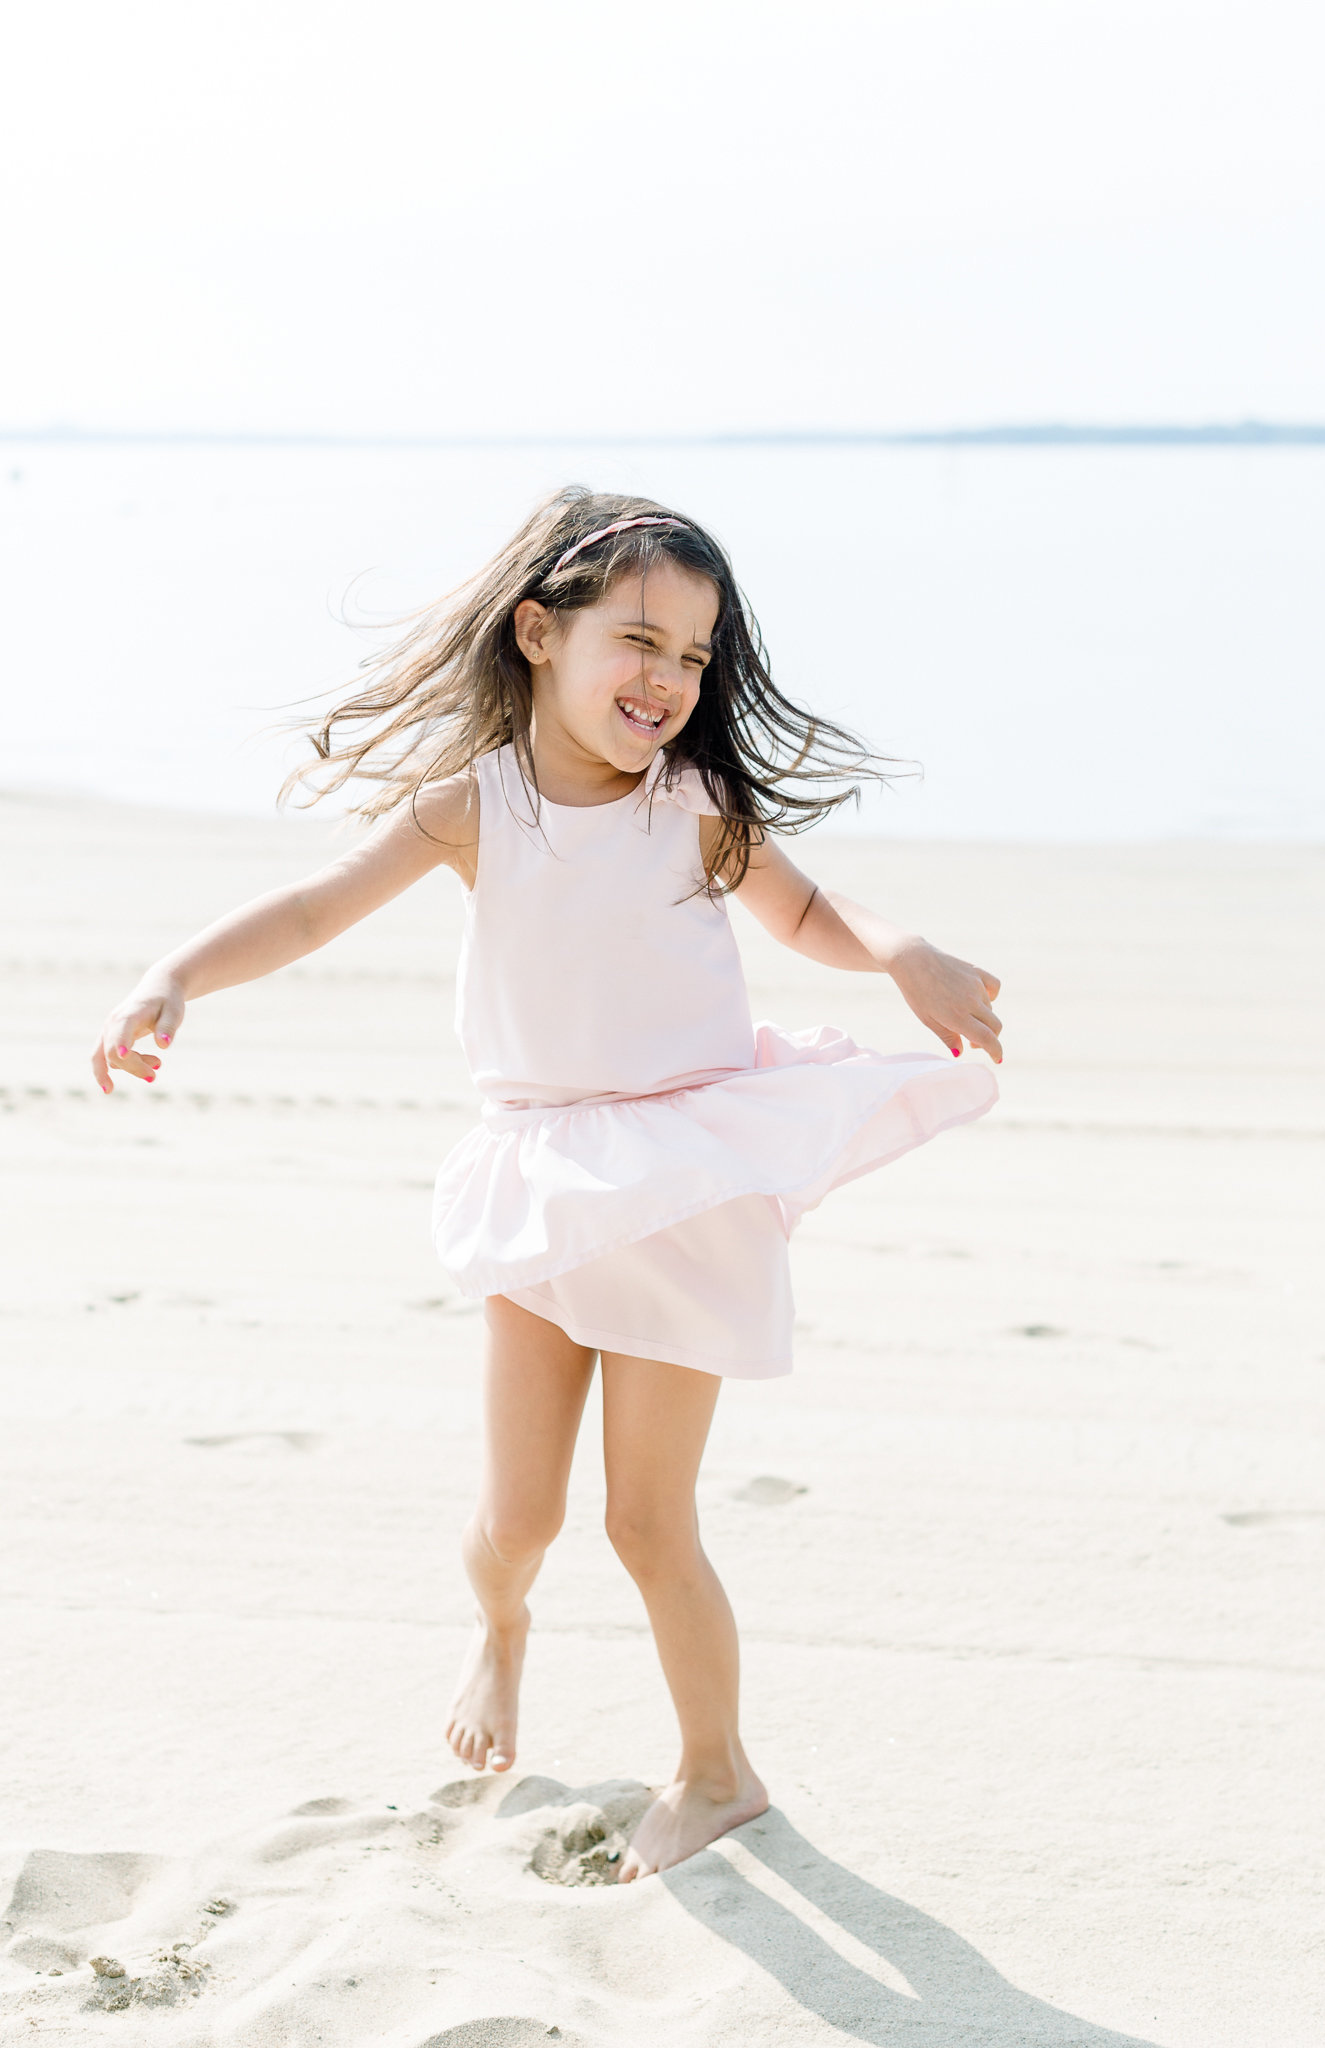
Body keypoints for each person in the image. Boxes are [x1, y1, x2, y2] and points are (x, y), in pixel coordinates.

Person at [91, 488, 1002, 1881]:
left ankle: (717, 1773)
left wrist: (907, 953)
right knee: (517, 1518)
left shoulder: (693, 805)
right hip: (541, 1182)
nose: (670, 680)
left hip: (683, 1182)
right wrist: (171, 976)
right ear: (538, 631)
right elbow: (312, 907)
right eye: (639, 640)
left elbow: (809, 913)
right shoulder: (474, 809)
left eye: (695, 657)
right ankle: (500, 1629)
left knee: (649, 1520)